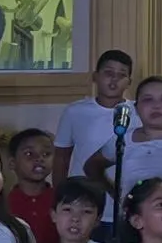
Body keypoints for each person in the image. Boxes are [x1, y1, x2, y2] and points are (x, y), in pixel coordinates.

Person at [82, 77, 162, 211]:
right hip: (132, 221)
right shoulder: (123, 139)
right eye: (148, 100)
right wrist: (115, 193)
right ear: (136, 108)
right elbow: (91, 166)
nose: (157, 105)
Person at [53, 50, 134, 184]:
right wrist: (58, 195)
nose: (114, 79)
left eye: (121, 75)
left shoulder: (138, 111)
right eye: (109, 73)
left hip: (125, 191)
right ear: (95, 77)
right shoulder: (75, 111)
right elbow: (61, 157)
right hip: (84, 190)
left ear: (129, 82)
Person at [5, 128, 58, 243]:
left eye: (46, 154)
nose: (39, 159)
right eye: (29, 154)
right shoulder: (3, 203)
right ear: (12, 163)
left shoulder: (61, 200)